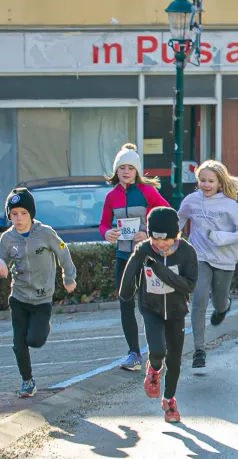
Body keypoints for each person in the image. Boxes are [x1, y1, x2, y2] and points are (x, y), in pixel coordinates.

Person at [119, 207, 198, 423]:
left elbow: (189, 285)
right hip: (151, 309)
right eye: (155, 238)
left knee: (174, 359)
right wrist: (126, 289)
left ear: (177, 235)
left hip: (176, 312)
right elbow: (129, 277)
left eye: (166, 240)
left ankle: (169, 401)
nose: (160, 245)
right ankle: (153, 369)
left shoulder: (187, 252)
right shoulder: (145, 249)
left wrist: (160, 271)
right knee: (157, 350)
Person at [0, 188, 77, 398]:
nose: (18, 218)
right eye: (14, 214)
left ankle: (43, 325)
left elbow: (63, 250)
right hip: (19, 297)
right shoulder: (7, 239)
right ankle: (27, 381)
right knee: (18, 344)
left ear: (31, 214)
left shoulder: (46, 233)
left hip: (42, 298)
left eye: (23, 213)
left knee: (35, 340)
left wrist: (68, 277)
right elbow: (2, 258)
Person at [100, 143, 169, 372]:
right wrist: (107, 233)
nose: (126, 171)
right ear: (116, 171)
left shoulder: (147, 192)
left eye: (130, 167)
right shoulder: (111, 196)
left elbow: (168, 215)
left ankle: (158, 349)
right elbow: (102, 224)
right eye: (122, 167)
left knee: (147, 304)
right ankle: (134, 354)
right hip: (123, 257)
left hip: (147, 256)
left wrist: (148, 233)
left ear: (137, 171)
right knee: (125, 303)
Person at [178, 160, 238, 372]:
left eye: (211, 181)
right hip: (199, 257)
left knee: (219, 300)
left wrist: (221, 237)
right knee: (199, 298)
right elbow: (180, 219)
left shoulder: (230, 205)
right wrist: (171, 241)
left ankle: (224, 306)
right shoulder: (192, 201)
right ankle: (199, 350)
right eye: (202, 180)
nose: (206, 185)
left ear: (220, 182)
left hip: (224, 259)